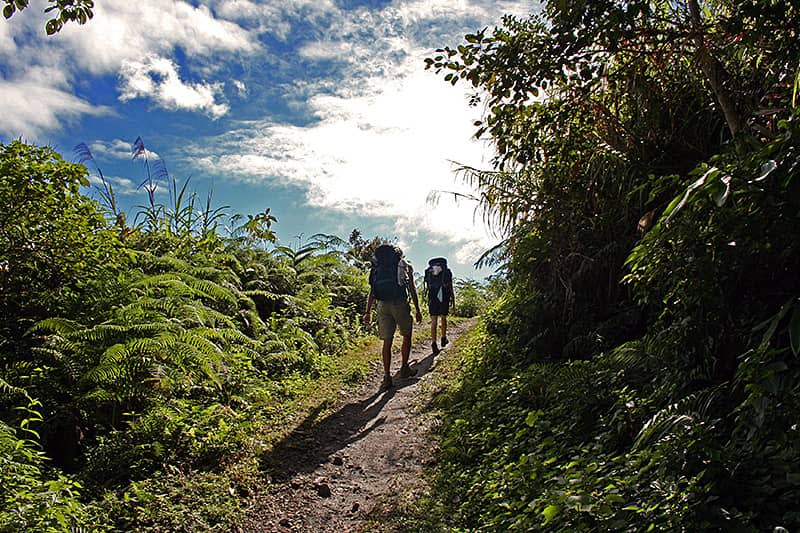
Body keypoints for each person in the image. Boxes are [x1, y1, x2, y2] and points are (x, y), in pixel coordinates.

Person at [363, 244, 423, 390]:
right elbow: (412, 289)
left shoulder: (376, 267)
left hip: (382, 305)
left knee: (387, 342)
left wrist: (368, 312)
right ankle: (404, 368)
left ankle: (387, 376)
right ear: (399, 255)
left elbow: (372, 291)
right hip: (399, 303)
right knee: (407, 335)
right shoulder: (404, 265)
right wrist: (417, 309)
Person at [424, 257, 455, 355]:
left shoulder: (429, 272)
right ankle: (443, 338)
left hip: (432, 297)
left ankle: (433, 343)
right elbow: (450, 286)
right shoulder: (447, 272)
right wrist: (453, 302)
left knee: (434, 321)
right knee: (443, 318)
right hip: (444, 296)